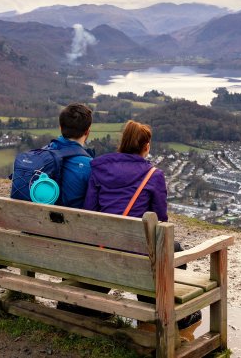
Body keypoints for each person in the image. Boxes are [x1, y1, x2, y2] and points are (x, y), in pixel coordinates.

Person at [84, 120, 201, 336]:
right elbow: (161, 222)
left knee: (150, 251)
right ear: (146, 146)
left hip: (104, 250)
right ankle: (158, 307)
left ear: (123, 143)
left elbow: (89, 211)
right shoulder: (153, 175)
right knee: (174, 250)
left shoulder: (98, 168)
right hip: (138, 255)